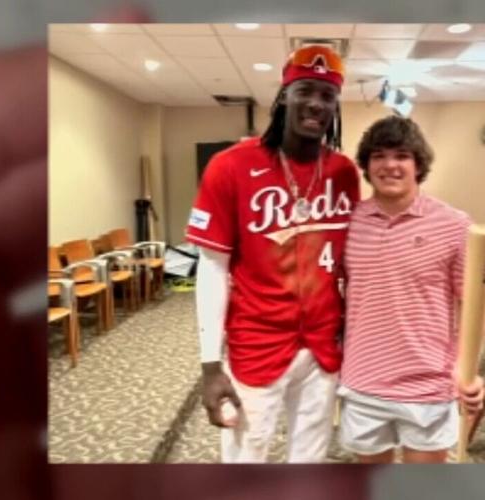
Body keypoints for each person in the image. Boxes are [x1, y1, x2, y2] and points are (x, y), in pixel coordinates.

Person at [186, 45, 360, 463]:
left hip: (322, 344)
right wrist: (210, 366)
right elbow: (211, 268)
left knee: (311, 457)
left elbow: (350, 264)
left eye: (327, 94)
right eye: (305, 90)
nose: (316, 103)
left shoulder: (343, 172)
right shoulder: (230, 166)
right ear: (284, 96)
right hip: (257, 341)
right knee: (247, 456)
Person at [338, 115, 485, 463]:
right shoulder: (349, 222)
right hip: (363, 382)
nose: (389, 165)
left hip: (428, 386)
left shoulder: (454, 225)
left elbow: (477, 309)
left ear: (418, 164)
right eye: (378, 155)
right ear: (366, 165)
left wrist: (468, 371)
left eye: (401, 155)